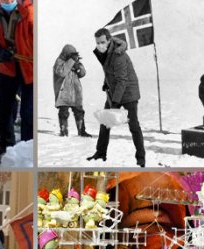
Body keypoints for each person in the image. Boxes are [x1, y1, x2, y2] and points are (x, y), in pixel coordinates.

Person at [87, 28, 145, 167]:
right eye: (97, 42)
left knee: (134, 126)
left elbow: (122, 80)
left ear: (109, 40)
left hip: (128, 93)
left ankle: (141, 157)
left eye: (102, 42)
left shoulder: (118, 55)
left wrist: (115, 103)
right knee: (105, 123)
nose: (100, 45)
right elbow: (110, 72)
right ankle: (100, 153)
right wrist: (105, 84)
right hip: (115, 92)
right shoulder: (106, 52)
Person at [0, 0, 33, 156]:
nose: (8, 1)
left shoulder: (31, 12)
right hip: (8, 66)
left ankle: (27, 147)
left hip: (30, 68)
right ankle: (5, 143)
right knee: (4, 107)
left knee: (29, 111)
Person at [53, 44, 91, 137]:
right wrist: (72, 61)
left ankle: (81, 131)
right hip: (63, 92)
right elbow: (62, 72)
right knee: (63, 112)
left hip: (75, 92)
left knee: (79, 111)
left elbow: (82, 74)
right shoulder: (59, 62)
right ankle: (63, 131)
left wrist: (79, 67)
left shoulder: (73, 62)